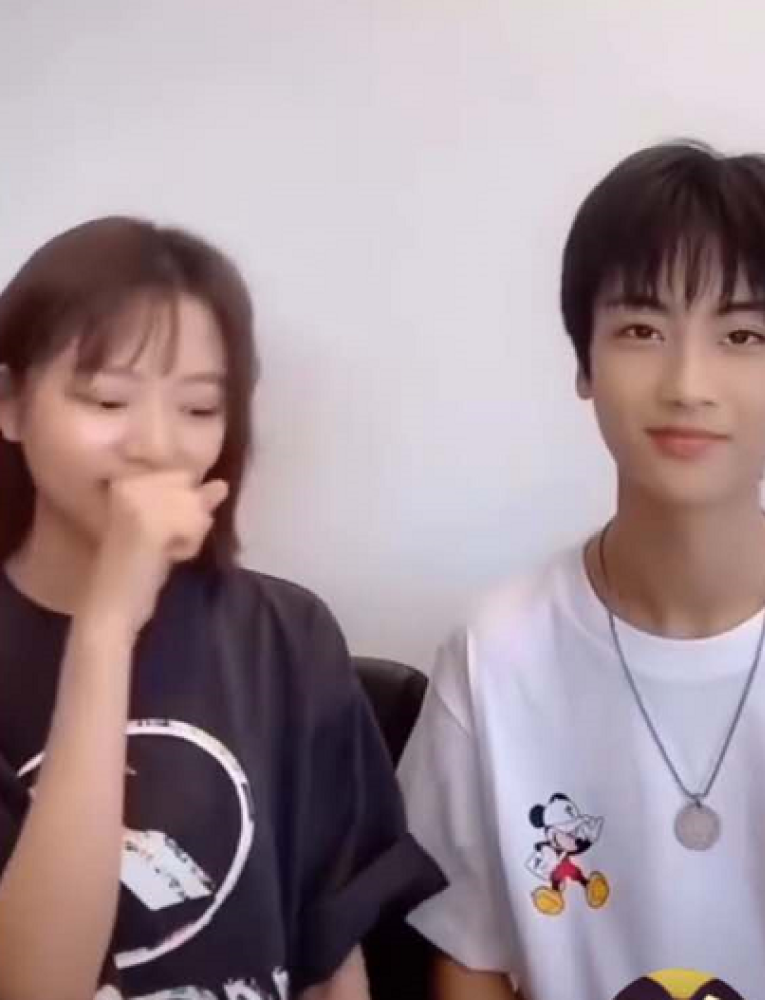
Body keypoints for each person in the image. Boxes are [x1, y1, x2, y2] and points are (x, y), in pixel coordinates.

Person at [397, 141, 765, 999]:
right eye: (641, 330)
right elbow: (468, 957)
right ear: (584, 363)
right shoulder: (495, 657)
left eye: (742, 335)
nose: (688, 383)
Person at [0, 217, 444, 1000]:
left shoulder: (288, 637)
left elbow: (331, 957)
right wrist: (106, 630)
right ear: (9, 403)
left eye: (200, 408)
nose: (157, 444)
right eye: (107, 398)